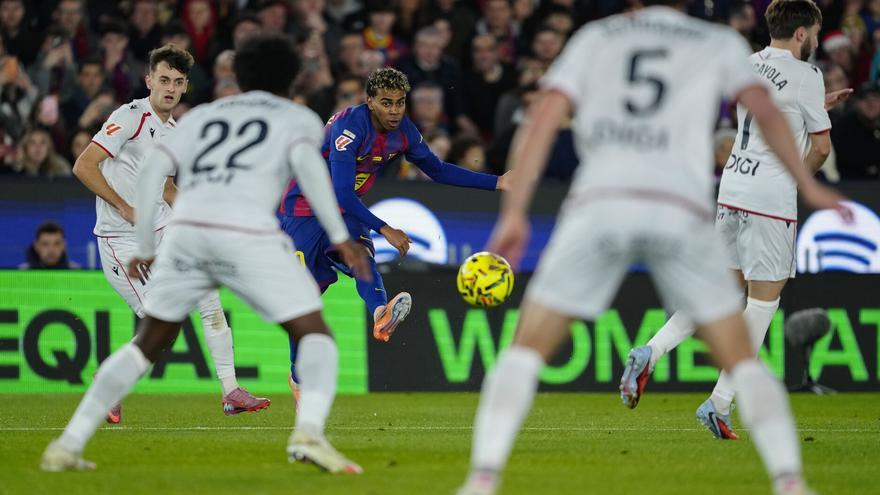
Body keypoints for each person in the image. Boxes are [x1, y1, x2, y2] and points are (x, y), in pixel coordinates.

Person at [457, 1, 851, 494]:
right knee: (746, 341)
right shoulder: (718, 43)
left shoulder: (596, 37)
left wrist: (514, 212)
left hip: (602, 200)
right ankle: (789, 480)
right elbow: (772, 114)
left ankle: (482, 479)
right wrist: (808, 186)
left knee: (525, 349)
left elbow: (542, 117)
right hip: (677, 204)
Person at [41, 32, 371, 475]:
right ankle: (309, 434)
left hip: (186, 233)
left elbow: (155, 173)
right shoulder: (300, 119)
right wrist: (340, 236)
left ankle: (68, 444)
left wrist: (144, 242)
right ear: (292, 78)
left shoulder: (200, 119)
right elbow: (312, 173)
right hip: (245, 231)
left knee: (149, 342)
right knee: (316, 334)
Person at [622, 0, 854, 440]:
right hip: (770, 197)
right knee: (763, 303)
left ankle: (650, 352)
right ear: (802, 33)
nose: (817, 41)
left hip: (731, 189)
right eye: (816, 33)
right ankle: (720, 402)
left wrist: (817, 106)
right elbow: (820, 149)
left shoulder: (750, 63)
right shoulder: (807, 74)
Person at [279, 67, 510, 401]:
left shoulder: (404, 132)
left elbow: (438, 169)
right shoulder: (348, 127)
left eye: (400, 103)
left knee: (362, 255)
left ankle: (379, 312)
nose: (394, 110)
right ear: (369, 101)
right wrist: (385, 228)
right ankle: (299, 380)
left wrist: (497, 181)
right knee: (303, 304)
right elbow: (342, 192)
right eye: (386, 103)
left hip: (343, 210)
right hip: (304, 208)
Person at [72, 43, 267, 423]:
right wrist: (124, 206)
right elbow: (84, 165)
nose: (170, 88)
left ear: (184, 87)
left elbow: (166, 189)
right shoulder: (130, 117)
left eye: (178, 82)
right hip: (121, 240)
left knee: (210, 300)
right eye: (163, 80)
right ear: (149, 81)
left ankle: (231, 391)